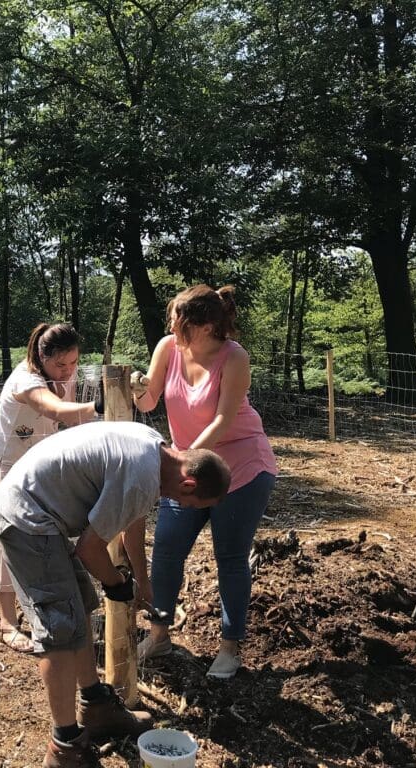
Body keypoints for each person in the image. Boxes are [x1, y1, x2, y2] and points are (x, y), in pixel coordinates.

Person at [0, 420, 230, 767]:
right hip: (27, 518)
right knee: (58, 630)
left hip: (42, 512)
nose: (185, 507)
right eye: (190, 503)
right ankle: (65, 747)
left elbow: (129, 521)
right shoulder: (141, 478)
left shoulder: (154, 449)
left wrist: (140, 580)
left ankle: (96, 706)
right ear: (188, 482)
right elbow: (90, 549)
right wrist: (117, 586)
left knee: (81, 608)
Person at [131, 284, 277, 680]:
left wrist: (180, 460)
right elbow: (148, 402)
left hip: (241, 469)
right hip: (187, 469)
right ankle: (159, 634)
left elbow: (223, 420)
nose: (171, 325)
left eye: (178, 319)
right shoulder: (168, 348)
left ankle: (229, 648)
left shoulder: (234, 357)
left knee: (229, 557)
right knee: (166, 550)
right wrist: (138, 387)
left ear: (205, 323)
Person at [0, 323, 101, 653]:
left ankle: (52, 601)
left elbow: (70, 417)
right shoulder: (26, 379)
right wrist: (101, 408)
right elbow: (54, 409)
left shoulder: (69, 373)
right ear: (41, 356)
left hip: (40, 460)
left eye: (73, 363)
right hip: (9, 461)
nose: (67, 371)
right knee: (6, 531)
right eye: (60, 365)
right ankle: (7, 622)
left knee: (49, 527)